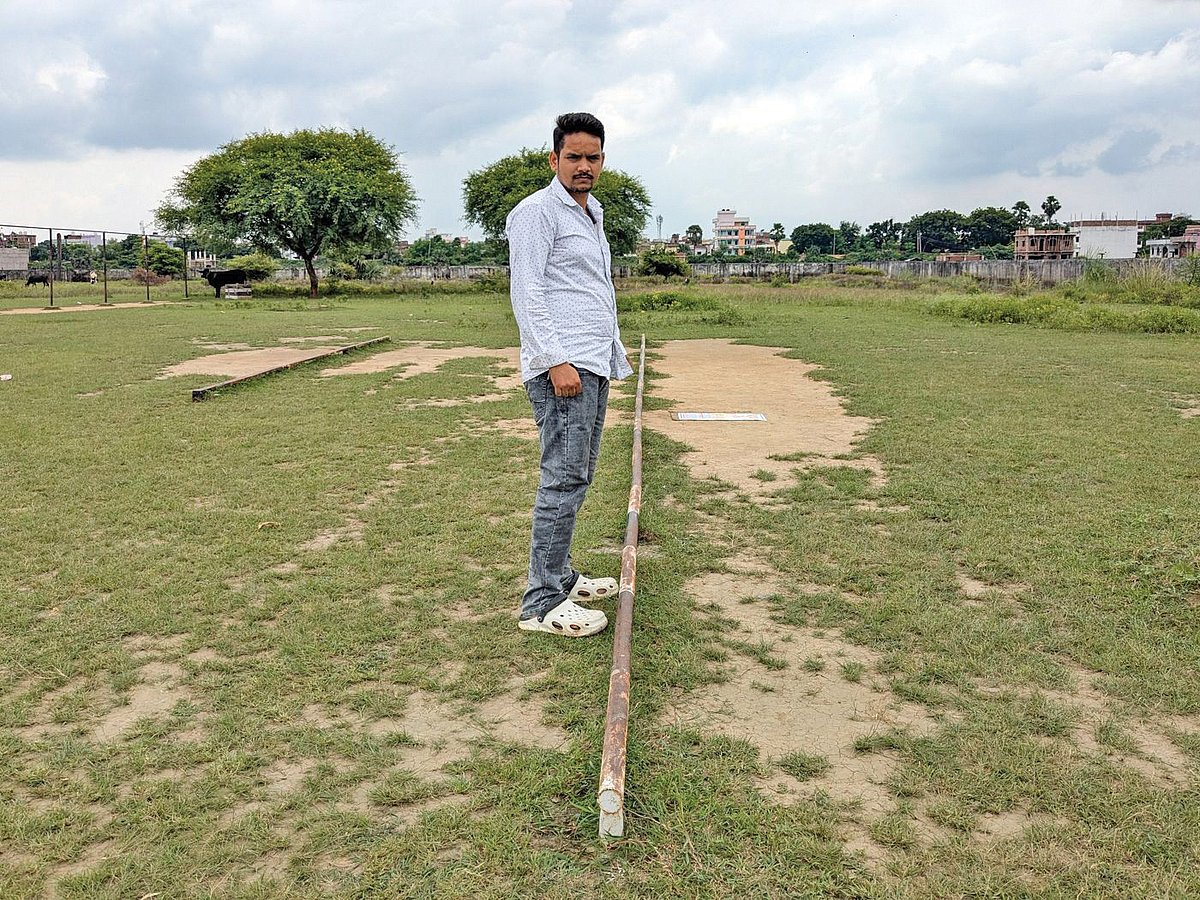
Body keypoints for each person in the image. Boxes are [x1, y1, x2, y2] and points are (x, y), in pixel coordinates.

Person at [505, 112, 632, 638]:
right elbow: (528, 291)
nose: (584, 166)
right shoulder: (536, 213)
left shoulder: (592, 212)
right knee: (562, 477)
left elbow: (591, 291)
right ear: (553, 159)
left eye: (593, 157)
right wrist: (554, 360)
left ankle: (560, 577)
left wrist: (611, 354)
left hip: (591, 360)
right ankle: (541, 604)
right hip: (564, 365)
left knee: (577, 476)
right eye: (574, 157)